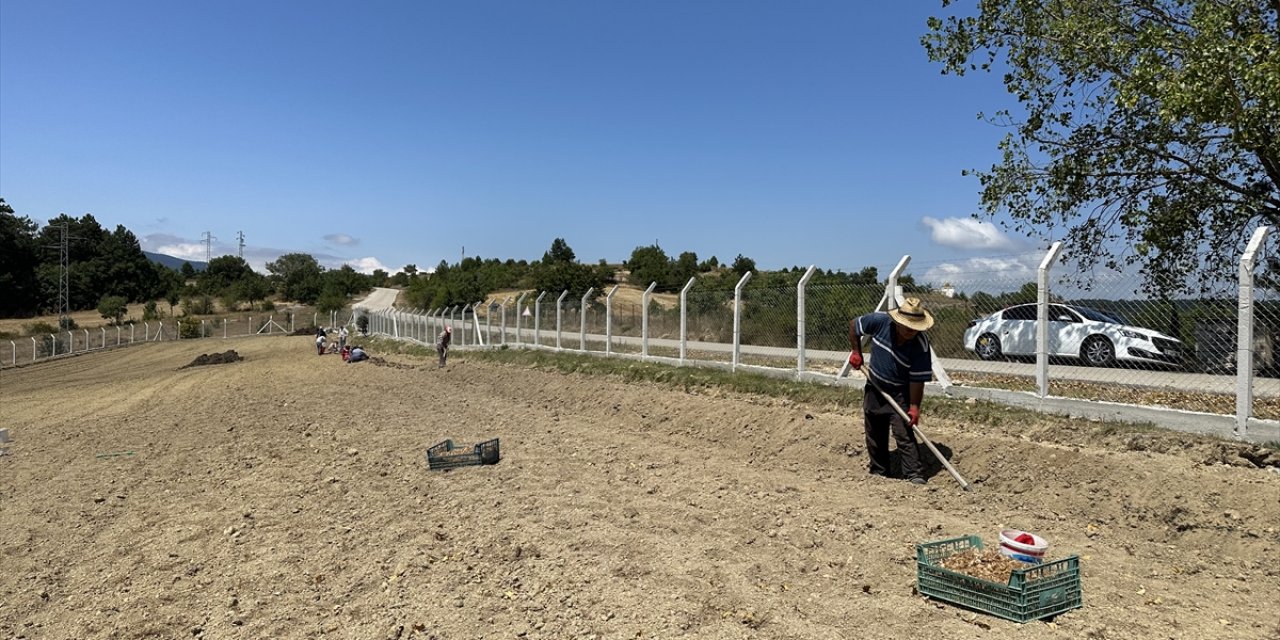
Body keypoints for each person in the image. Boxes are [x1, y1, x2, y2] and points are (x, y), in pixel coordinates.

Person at [847, 297, 935, 484]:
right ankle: (879, 472)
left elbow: (917, 380)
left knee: (903, 433)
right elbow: (854, 325)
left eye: (915, 327)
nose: (911, 331)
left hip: (900, 392)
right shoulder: (879, 322)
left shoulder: (920, 346)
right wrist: (856, 352)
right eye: (907, 326)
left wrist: (914, 406)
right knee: (874, 431)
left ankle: (914, 474)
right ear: (897, 321)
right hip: (875, 385)